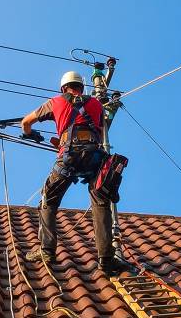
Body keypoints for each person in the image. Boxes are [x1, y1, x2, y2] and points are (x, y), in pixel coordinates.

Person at [21, 71, 121, 275]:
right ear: (82, 87)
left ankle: (47, 250)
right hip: (94, 158)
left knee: (49, 198)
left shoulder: (56, 102)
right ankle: (106, 259)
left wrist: (31, 134)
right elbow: (97, 129)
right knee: (100, 202)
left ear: (63, 88)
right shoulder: (96, 105)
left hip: (69, 157)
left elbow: (26, 122)